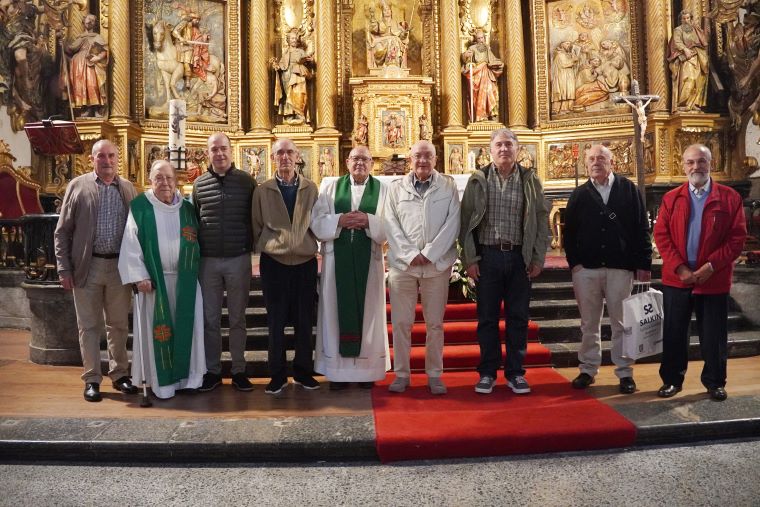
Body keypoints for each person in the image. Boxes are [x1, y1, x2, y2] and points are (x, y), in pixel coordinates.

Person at [459, 128, 549, 395]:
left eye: (509, 145)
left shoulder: (530, 180)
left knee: (518, 318)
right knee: (486, 318)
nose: (504, 149)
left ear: (517, 149)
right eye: (499, 145)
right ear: (490, 149)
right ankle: (487, 373)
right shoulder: (478, 179)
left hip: (519, 256)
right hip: (487, 257)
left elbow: (541, 219)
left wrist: (537, 256)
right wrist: (470, 259)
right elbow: (465, 222)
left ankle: (515, 373)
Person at [653, 144, 746, 401]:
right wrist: (680, 268)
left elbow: (737, 238)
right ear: (683, 166)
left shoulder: (729, 197)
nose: (696, 167)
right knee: (674, 332)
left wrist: (711, 266)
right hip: (677, 278)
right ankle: (672, 380)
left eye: (701, 162)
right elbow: (661, 236)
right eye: (691, 162)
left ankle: (715, 381)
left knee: (714, 335)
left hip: (713, 278)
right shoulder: (671, 198)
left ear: (710, 163)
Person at [563, 145, 652, 394]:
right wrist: (575, 264)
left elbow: (640, 228)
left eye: (600, 158)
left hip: (620, 268)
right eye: (590, 158)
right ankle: (588, 369)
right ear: (586, 163)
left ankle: (624, 372)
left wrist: (643, 264)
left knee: (621, 323)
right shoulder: (580, 194)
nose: (595, 162)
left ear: (611, 162)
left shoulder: (627, 189)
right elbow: (569, 231)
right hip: (587, 270)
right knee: (588, 323)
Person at [54, 139, 138, 402]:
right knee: (89, 326)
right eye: (101, 156)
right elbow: (62, 232)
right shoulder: (78, 186)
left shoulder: (127, 188)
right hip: (86, 267)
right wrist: (63, 268)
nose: (107, 161)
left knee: (118, 325)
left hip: (119, 267)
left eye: (112, 156)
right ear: (92, 159)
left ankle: (120, 374)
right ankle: (91, 379)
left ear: (117, 158)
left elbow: (137, 232)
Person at [118, 160, 206, 399]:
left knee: (188, 329)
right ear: (150, 180)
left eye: (168, 178)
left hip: (185, 282)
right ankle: (162, 383)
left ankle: (189, 379)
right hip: (154, 285)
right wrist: (140, 277)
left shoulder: (188, 209)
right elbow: (130, 244)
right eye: (159, 178)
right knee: (160, 333)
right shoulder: (140, 207)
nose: (165, 183)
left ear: (176, 180)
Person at [384, 140, 460, 395]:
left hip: (436, 266)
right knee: (402, 322)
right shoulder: (396, 188)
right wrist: (408, 254)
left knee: (434, 324)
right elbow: (389, 222)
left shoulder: (448, 186)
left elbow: (453, 223)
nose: (422, 160)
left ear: (436, 159)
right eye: (417, 156)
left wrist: (428, 254)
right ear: (410, 159)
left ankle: (434, 374)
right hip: (402, 267)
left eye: (428, 156)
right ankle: (402, 374)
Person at [311, 146, 390, 390]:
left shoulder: (384, 190)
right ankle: (338, 373)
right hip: (337, 261)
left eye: (365, 159)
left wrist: (369, 221)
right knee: (335, 311)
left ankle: (366, 372)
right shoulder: (330, 188)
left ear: (371, 164)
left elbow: (393, 223)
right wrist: (339, 221)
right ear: (346, 162)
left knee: (369, 313)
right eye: (355, 159)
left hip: (370, 260)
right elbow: (316, 220)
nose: (359, 163)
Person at [252, 138, 320, 395]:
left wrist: (306, 243)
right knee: (276, 321)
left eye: (289, 152)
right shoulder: (263, 190)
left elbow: (318, 221)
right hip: (275, 263)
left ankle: (303, 372)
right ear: (272, 158)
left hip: (304, 262)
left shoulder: (310, 189)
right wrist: (270, 245)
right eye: (279, 153)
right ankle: (277, 375)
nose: (284, 157)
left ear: (298, 156)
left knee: (304, 321)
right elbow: (256, 224)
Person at [192, 133, 256, 392]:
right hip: (208, 261)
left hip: (238, 258)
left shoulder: (246, 182)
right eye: (214, 149)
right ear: (208, 153)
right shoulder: (199, 184)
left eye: (223, 149)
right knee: (210, 319)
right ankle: (213, 371)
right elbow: (195, 219)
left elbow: (254, 217)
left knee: (238, 318)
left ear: (232, 151)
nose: (219, 154)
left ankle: (239, 370)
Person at [65, 13, 108, 118]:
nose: (89, 21)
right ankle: (85, 108)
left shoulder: (97, 37)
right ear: (83, 22)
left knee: (93, 85)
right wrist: (61, 40)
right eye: (88, 19)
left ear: (95, 24)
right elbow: (70, 49)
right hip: (78, 64)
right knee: (81, 86)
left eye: (92, 20)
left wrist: (98, 58)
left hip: (91, 63)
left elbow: (104, 50)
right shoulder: (80, 37)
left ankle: (97, 107)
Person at [668, 10, 709, 112]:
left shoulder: (695, 30)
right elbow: (677, 42)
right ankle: (683, 102)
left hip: (697, 58)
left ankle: (693, 103)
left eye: (688, 18)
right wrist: (684, 49)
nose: (686, 21)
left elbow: (703, 41)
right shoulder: (678, 30)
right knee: (688, 79)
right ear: (680, 20)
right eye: (684, 19)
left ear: (691, 19)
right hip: (686, 59)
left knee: (697, 81)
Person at [461, 28, 504, 122]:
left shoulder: (487, 48)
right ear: (476, 39)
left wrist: (498, 63)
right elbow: (468, 61)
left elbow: (492, 59)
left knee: (490, 90)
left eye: (482, 38)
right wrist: (465, 56)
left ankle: (491, 113)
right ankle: (480, 115)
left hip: (487, 73)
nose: (481, 40)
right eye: (479, 38)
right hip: (477, 74)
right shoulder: (472, 48)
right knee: (478, 93)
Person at [272, 29, 313, 125]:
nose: (294, 40)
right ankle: (289, 115)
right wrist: (277, 66)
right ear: (289, 40)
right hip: (286, 75)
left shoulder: (301, 51)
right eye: (292, 38)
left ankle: (299, 115)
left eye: (295, 38)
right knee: (288, 96)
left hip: (298, 74)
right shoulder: (285, 53)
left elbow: (307, 59)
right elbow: (282, 65)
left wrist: (310, 60)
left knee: (298, 94)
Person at [366, 0, 410, 69]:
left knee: (394, 41)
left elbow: (401, 36)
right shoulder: (379, 23)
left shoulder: (395, 23)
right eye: (385, 10)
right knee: (391, 41)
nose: (387, 11)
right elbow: (373, 29)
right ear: (382, 12)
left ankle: (394, 65)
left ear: (391, 12)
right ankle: (387, 64)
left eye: (388, 10)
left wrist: (405, 32)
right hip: (381, 42)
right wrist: (372, 16)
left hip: (394, 42)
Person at [550, 41, 577, 114]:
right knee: (563, 90)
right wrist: (573, 60)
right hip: (562, 75)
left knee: (569, 90)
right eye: (567, 43)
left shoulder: (567, 54)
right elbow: (564, 64)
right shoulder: (560, 54)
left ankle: (566, 108)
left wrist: (573, 56)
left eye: (570, 44)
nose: (569, 45)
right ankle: (557, 109)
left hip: (568, 75)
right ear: (561, 45)